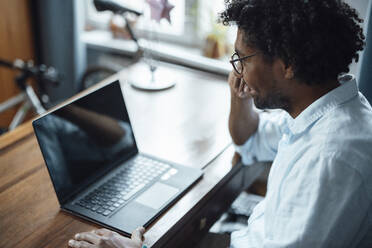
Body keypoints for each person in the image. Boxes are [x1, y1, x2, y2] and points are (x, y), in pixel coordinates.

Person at [68, 0, 372, 247]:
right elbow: (250, 141)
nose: (237, 70)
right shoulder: (321, 111)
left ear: (288, 64)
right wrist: (241, 95)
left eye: (242, 58)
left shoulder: (332, 157)